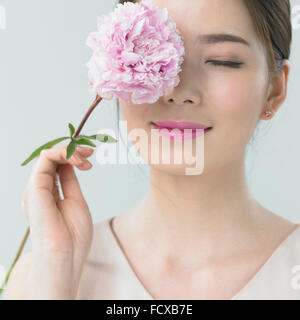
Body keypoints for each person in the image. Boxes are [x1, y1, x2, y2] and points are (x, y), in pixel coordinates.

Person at [4, 0, 300, 300]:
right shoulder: (41, 276)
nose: (179, 91)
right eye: (147, 53)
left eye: (221, 61)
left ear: (274, 89)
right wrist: (54, 270)